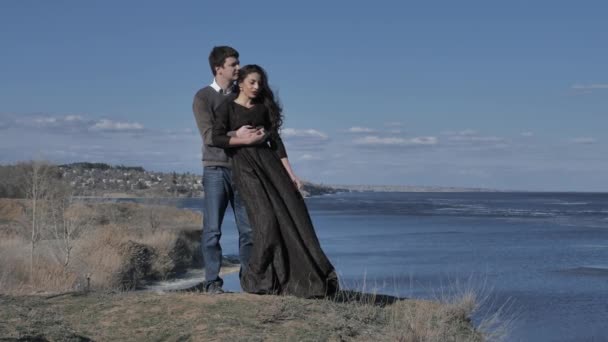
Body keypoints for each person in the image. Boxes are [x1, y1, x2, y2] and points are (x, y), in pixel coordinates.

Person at [211, 64, 339, 298]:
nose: (257, 87)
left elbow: (277, 144)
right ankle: (254, 278)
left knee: (292, 217)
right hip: (245, 169)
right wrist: (241, 139)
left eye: (260, 83)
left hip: (271, 168)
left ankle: (284, 282)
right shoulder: (226, 107)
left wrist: (292, 176)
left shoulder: (262, 108)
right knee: (266, 223)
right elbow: (216, 138)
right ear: (240, 83)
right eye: (252, 82)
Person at [192, 46, 266, 294]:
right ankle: (212, 283)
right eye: (233, 64)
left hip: (242, 169)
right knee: (212, 231)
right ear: (218, 68)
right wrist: (239, 134)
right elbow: (209, 136)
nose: (238, 68)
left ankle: (249, 282)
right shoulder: (203, 97)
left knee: (249, 230)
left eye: (238, 64)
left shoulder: (242, 95)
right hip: (215, 169)